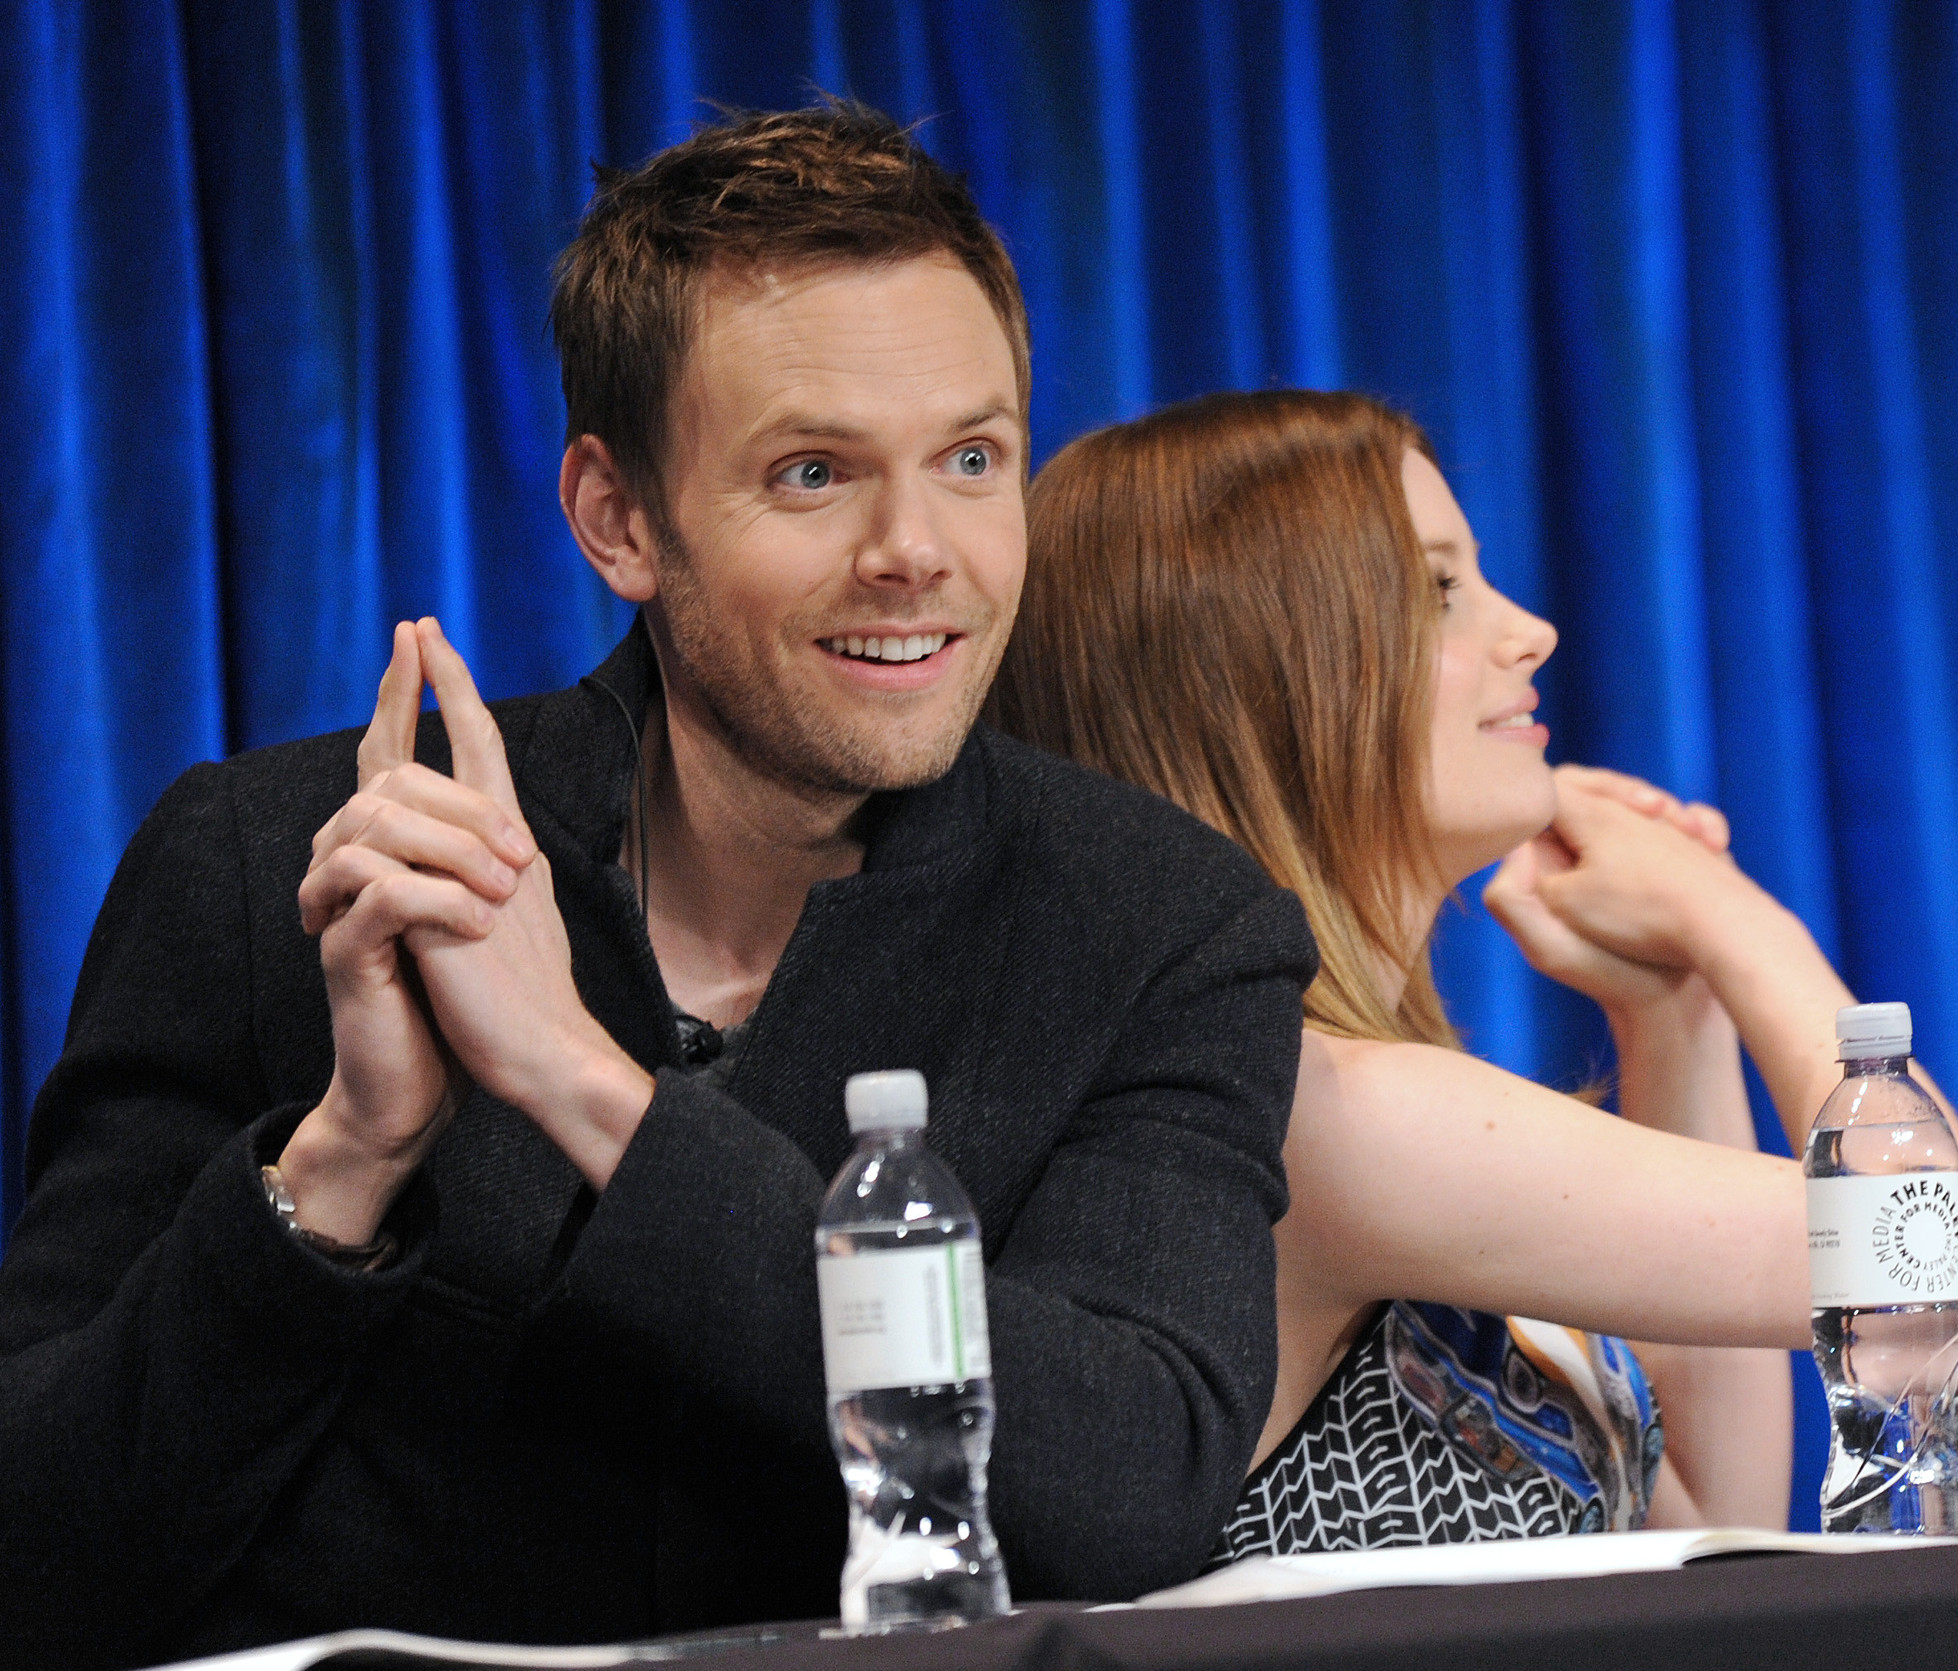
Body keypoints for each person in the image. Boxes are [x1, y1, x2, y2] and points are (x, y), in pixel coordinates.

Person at [0, 110, 1319, 1668]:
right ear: (618, 518)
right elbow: (38, 1561)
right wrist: (343, 1161)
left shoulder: (1165, 926)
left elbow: (1127, 1490)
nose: (918, 551)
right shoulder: (270, 859)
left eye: (972, 458)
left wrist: (580, 1082)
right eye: (814, 472)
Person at [990, 388, 1958, 1553]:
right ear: (1260, 677)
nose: (1528, 629)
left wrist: (1668, 1006)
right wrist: (1737, 922)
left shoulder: (1362, 1090)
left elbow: (1701, 1530)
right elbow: (1941, 1261)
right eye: (1438, 591)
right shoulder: (1315, 1105)